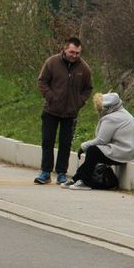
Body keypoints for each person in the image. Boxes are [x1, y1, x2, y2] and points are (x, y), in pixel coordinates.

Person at [35, 36, 93, 185]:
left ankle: (61, 172)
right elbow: (42, 81)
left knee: (65, 143)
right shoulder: (52, 63)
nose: (74, 56)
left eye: (77, 53)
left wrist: (79, 102)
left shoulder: (84, 69)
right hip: (51, 110)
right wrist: (50, 97)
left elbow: (88, 88)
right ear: (65, 49)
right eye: (72, 52)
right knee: (48, 141)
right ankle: (45, 172)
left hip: (70, 113)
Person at [63, 91, 134, 190]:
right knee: (94, 152)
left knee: (93, 151)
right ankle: (77, 178)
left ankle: (85, 181)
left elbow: (101, 140)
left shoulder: (112, 118)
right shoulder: (122, 113)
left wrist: (83, 146)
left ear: (108, 108)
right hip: (130, 151)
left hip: (126, 152)